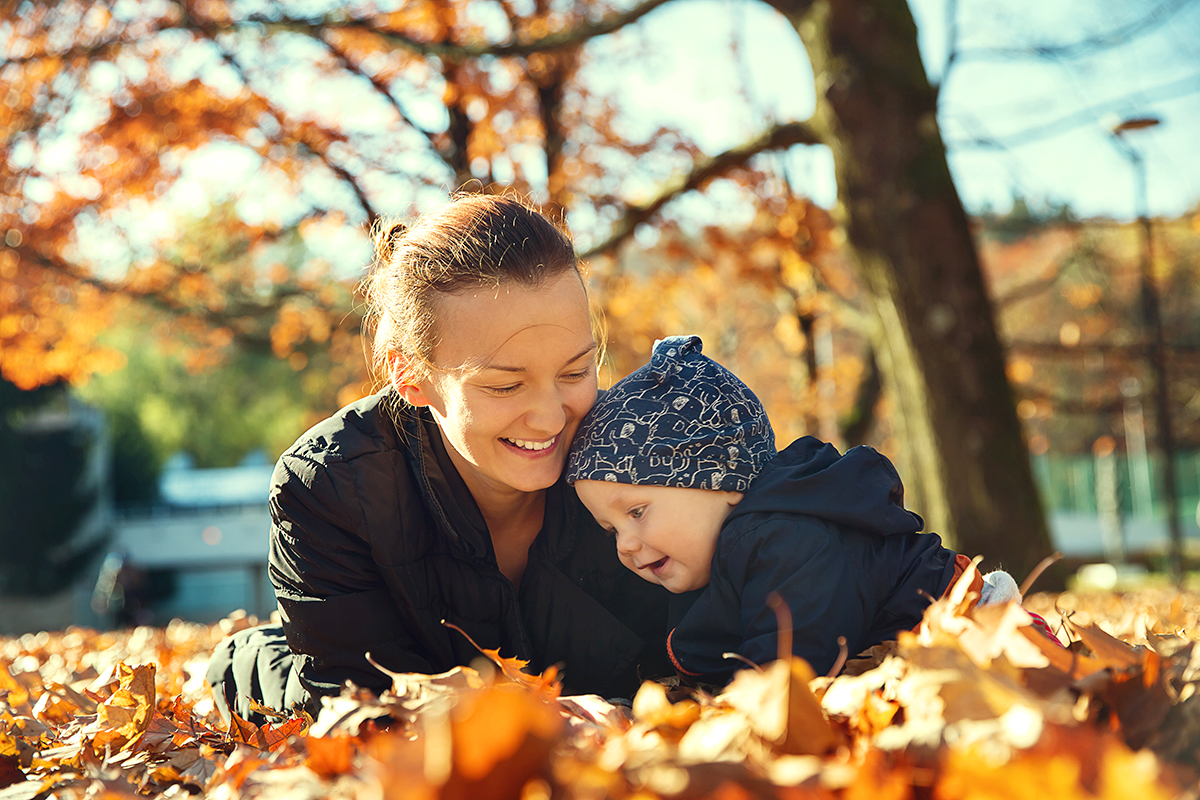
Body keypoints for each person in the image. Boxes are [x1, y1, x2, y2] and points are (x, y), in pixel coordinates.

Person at [206, 195, 674, 723]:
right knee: (288, 696)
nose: (549, 418)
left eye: (574, 373)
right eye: (505, 385)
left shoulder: (644, 455)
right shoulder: (328, 488)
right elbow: (361, 710)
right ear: (411, 377)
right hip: (358, 668)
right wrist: (553, 725)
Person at [565, 335, 1053, 685]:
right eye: (610, 529)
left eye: (636, 513)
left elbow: (790, 665)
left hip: (970, 625)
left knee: (1025, 681)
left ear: (717, 479)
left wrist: (741, 707)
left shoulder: (784, 538)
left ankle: (1036, 650)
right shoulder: (722, 550)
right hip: (904, 655)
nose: (625, 544)